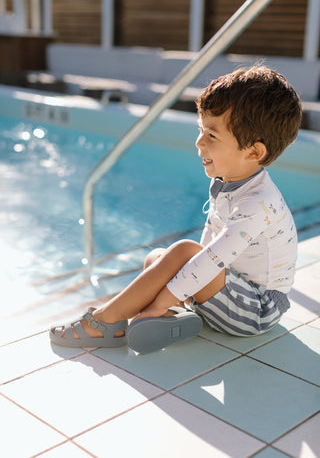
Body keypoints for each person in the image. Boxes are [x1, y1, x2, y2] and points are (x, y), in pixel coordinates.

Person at [50, 65, 302, 354]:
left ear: (254, 152)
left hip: (257, 311)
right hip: (233, 292)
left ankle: (104, 320)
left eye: (212, 136)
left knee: (184, 252)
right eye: (201, 130)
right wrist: (177, 291)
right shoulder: (230, 182)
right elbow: (211, 240)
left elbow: (212, 257)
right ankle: (174, 316)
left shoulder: (258, 203)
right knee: (157, 259)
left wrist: (160, 302)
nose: (199, 142)